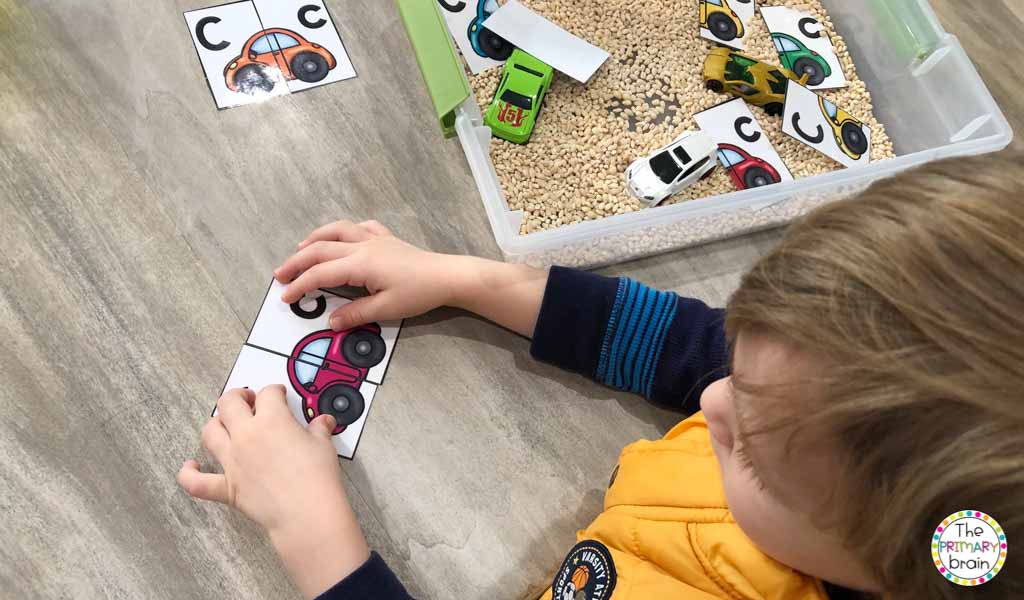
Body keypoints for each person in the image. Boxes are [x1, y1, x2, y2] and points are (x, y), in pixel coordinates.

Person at [178, 152, 1023, 599]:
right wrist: (476, 280)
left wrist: (318, 541)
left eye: (756, 456)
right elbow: (682, 344)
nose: (716, 395)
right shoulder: (832, 419)